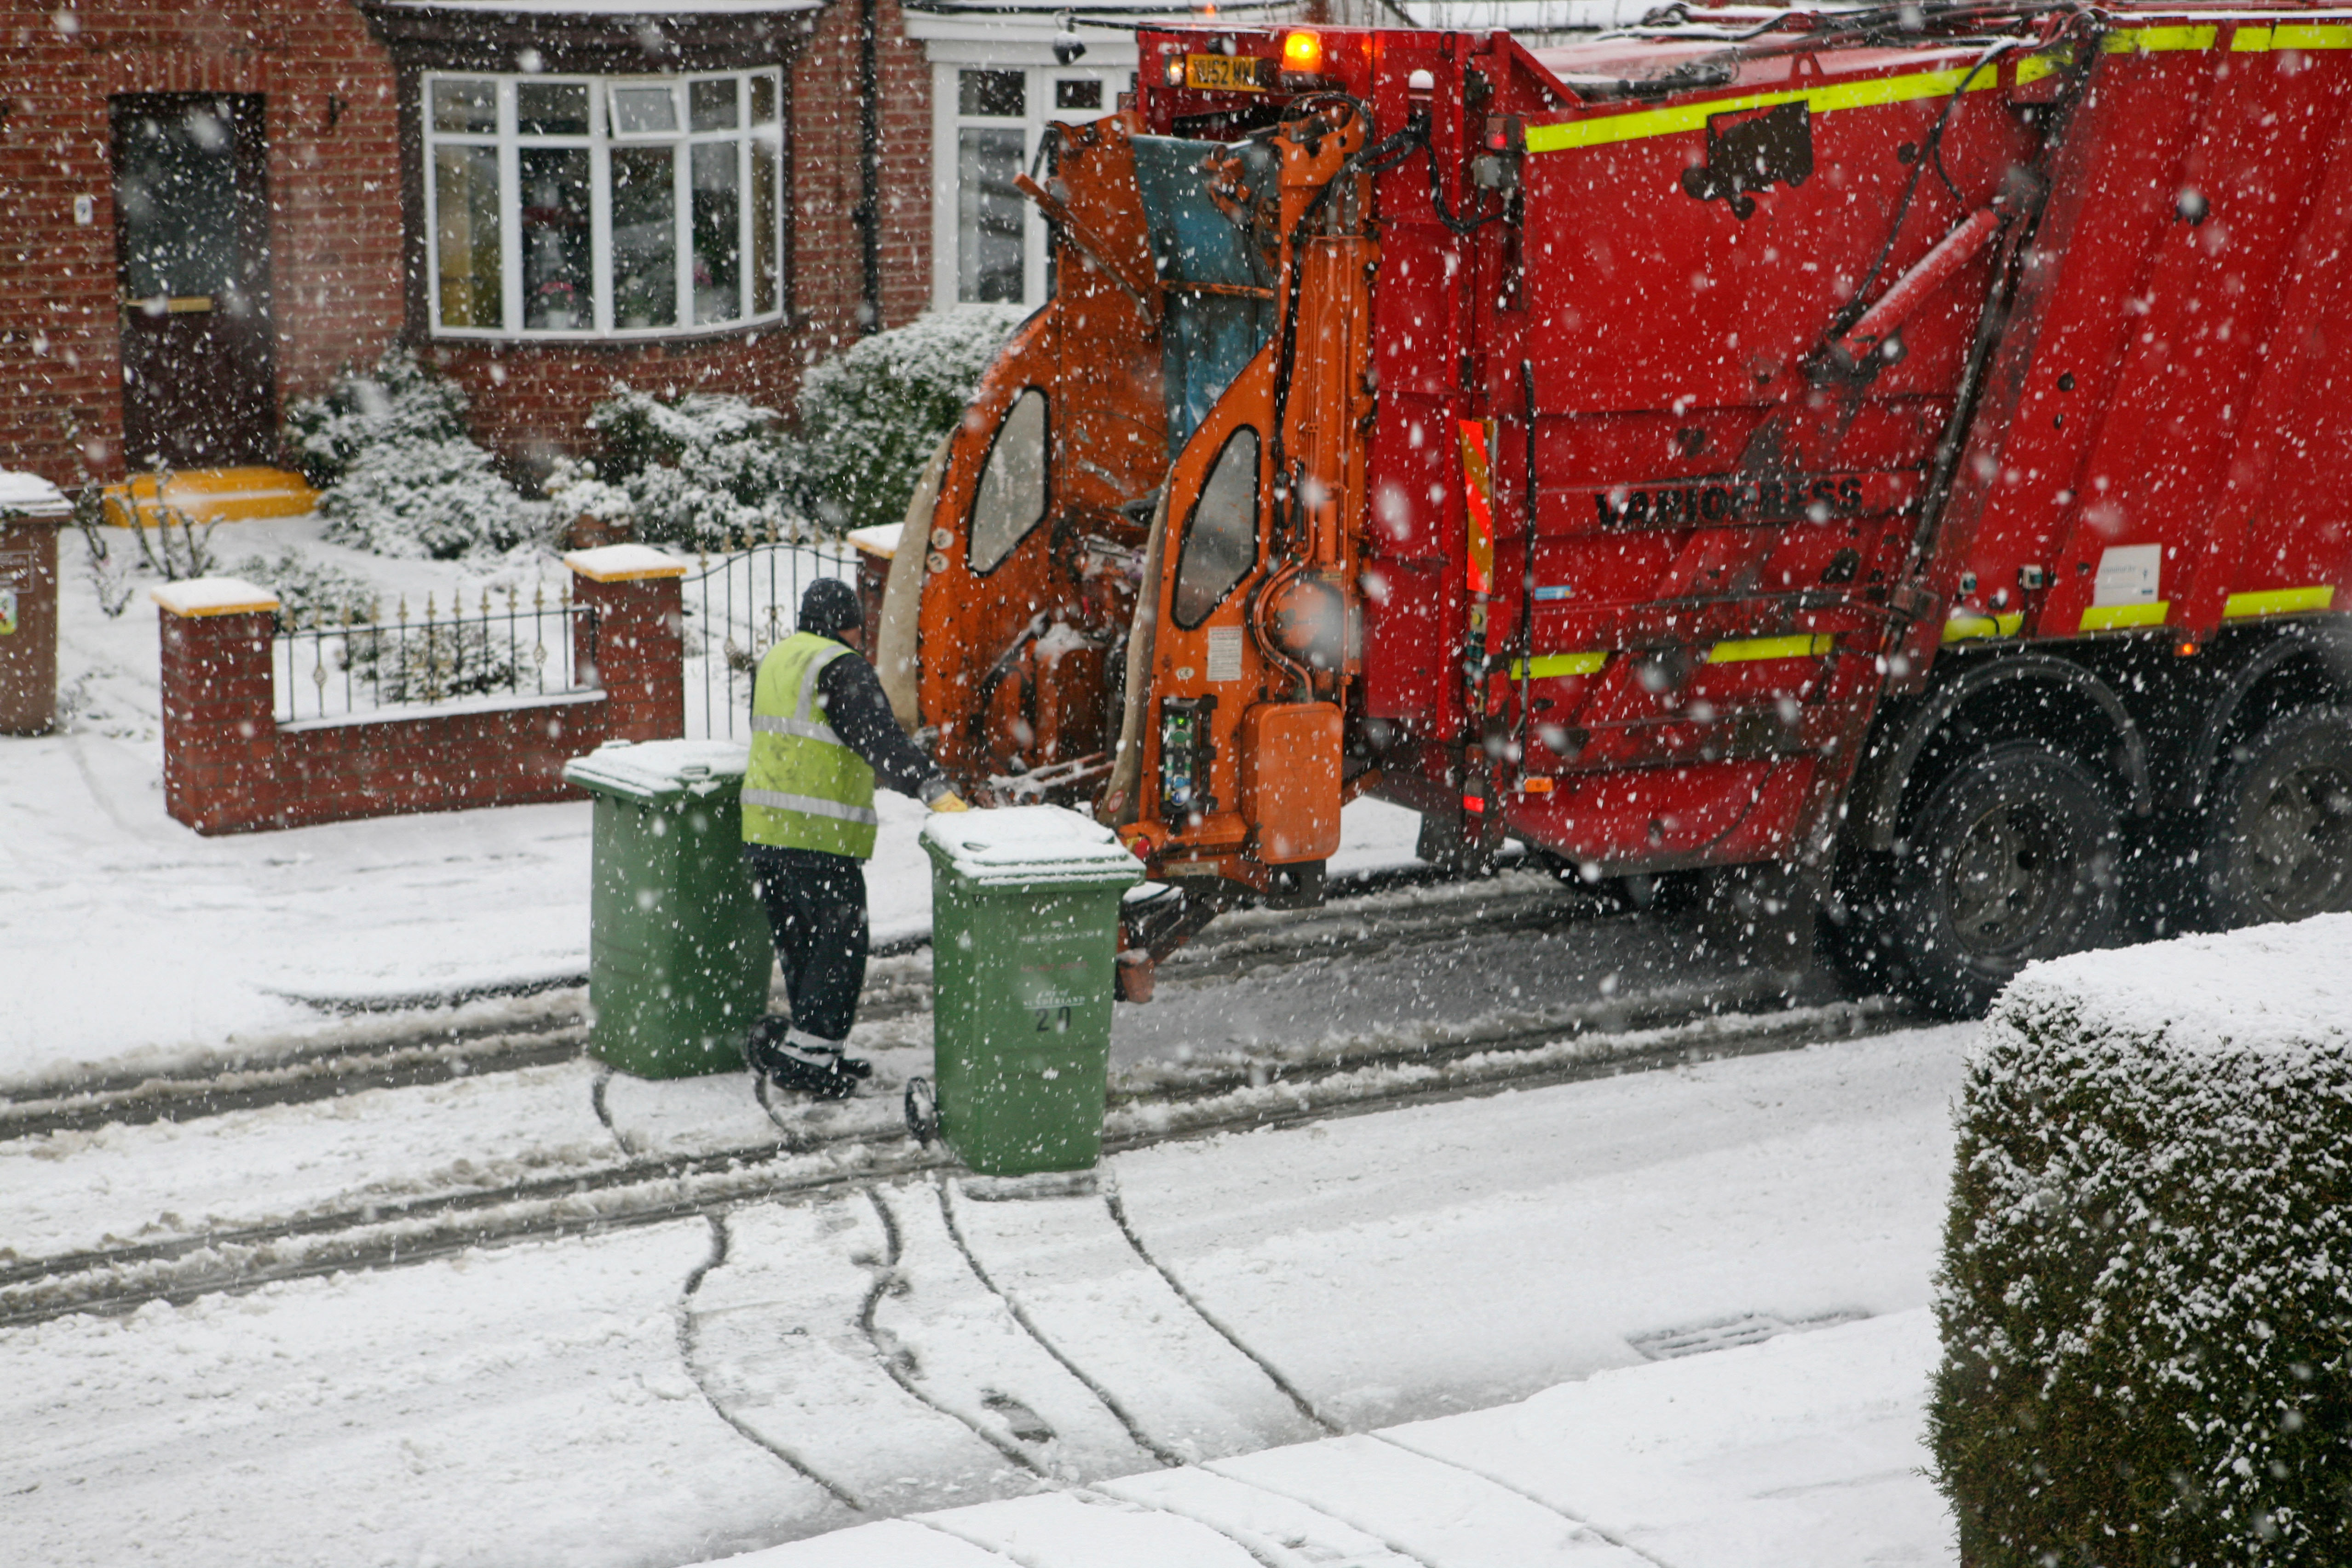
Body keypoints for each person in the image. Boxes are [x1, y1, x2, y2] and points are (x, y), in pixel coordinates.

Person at [741, 577, 968, 1097]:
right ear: (848, 626)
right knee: (840, 950)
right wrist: (934, 789)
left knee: (802, 946)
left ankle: (811, 1050)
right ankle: (807, 1065)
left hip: (763, 832)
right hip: (816, 837)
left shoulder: (777, 660)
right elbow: (880, 739)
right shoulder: (840, 667)